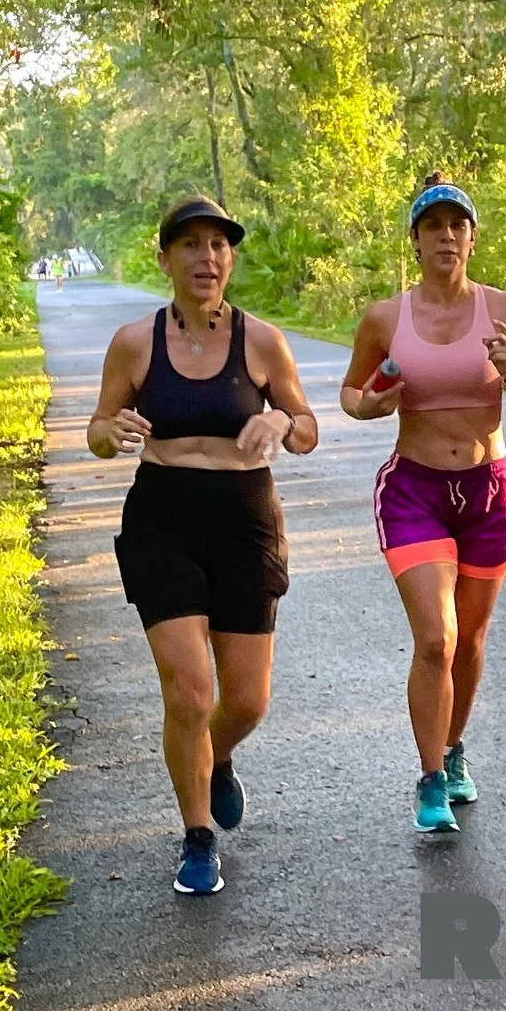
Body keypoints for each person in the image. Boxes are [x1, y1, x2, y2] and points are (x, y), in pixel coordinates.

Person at [86, 195, 319, 897]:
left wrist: (279, 419)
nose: (206, 258)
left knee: (245, 701)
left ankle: (214, 760)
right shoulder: (135, 343)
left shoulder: (262, 341)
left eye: (218, 245)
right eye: (189, 245)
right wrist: (113, 432)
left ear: (231, 260)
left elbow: (308, 427)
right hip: (163, 517)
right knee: (189, 690)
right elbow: (97, 431)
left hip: (247, 520)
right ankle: (196, 837)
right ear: (165, 259)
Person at [341, 181, 506, 835]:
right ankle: (430, 777)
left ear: (471, 236)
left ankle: (454, 748)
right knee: (437, 639)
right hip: (415, 492)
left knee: (470, 642)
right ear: (416, 238)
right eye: (432, 225)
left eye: (456, 225)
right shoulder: (386, 318)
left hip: (490, 494)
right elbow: (352, 396)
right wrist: (376, 399)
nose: (445, 236)